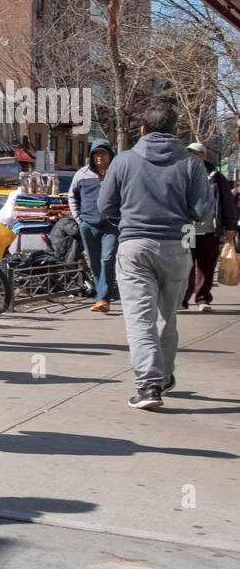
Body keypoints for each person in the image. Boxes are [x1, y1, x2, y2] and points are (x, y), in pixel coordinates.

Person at [97, 99, 210, 409]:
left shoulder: (122, 161)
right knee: (166, 317)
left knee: (140, 319)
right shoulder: (191, 164)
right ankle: (163, 377)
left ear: (143, 130)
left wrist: (127, 219)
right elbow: (202, 212)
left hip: (134, 246)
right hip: (177, 247)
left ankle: (148, 385)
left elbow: (104, 206)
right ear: (176, 131)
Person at [181, 142, 237, 313]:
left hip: (210, 229)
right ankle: (181, 299)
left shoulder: (216, 176)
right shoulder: (180, 174)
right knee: (184, 266)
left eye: (196, 153)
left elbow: (227, 203)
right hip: (186, 229)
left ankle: (202, 298)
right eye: (189, 153)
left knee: (206, 266)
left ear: (204, 155)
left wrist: (230, 226)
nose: (193, 156)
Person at [68, 139, 119, 312]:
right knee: (95, 263)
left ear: (110, 155)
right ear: (91, 156)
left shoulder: (117, 173)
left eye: (103, 153)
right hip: (88, 225)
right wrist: (79, 219)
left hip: (112, 226)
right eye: (96, 153)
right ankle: (100, 297)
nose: (99, 157)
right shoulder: (82, 174)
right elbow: (72, 196)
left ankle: (104, 298)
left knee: (107, 259)